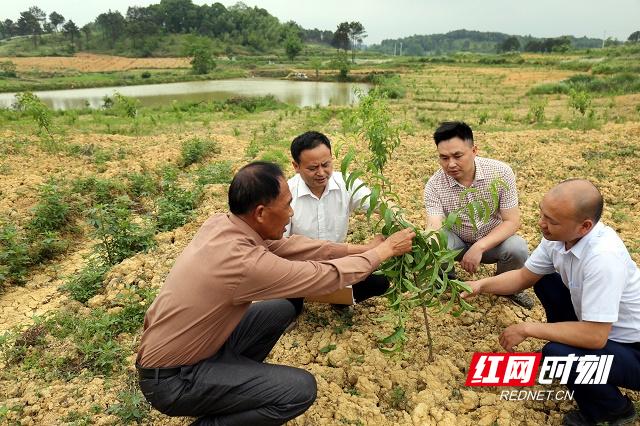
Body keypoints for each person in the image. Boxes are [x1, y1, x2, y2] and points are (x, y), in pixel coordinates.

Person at [135, 161, 415, 426]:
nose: (291, 213)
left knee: (279, 308)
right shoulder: (245, 264)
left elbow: (295, 248)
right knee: (299, 390)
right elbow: (324, 277)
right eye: (287, 205)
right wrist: (384, 251)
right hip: (172, 380)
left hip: (199, 349)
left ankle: (231, 384)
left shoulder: (222, 224)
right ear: (260, 213)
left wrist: (363, 249)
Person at [464, 179, 639, 425]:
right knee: (547, 282)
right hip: (604, 333)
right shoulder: (558, 237)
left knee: (555, 354)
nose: (541, 224)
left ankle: (614, 409)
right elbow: (524, 276)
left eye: (552, 221)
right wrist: (480, 285)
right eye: (541, 213)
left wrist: (527, 328)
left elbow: (595, 336)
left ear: (584, 226)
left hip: (632, 349)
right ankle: (575, 362)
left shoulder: (603, 259)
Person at [423, 121, 533, 308]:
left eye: (458, 156)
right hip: (457, 242)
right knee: (434, 241)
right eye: (444, 158)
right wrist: (423, 243)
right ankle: (445, 282)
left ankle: (506, 288)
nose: (451, 164)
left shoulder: (500, 173)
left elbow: (512, 221)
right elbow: (435, 226)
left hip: (492, 242)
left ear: (474, 150)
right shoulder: (434, 185)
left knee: (518, 248)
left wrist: (480, 247)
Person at [284, 131, 390, 313]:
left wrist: (398, 217)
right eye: (312, 168)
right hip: (300, 270)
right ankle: (295, 304)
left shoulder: (346, 183)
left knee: (379, 281)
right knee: (283, 303)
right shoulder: (286, 193)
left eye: (326, 164)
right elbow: (280, 246)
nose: (321, 173)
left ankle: (339, 299)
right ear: (296, 166)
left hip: (337, 265)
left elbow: (377, 204)